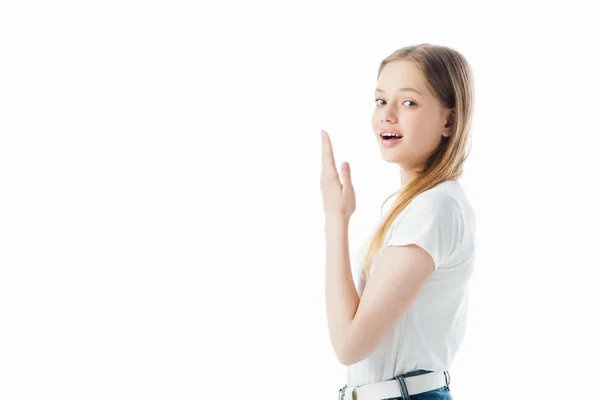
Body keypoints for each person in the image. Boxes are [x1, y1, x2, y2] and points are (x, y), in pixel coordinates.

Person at [320, 43, 476, 400]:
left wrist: (335, 220)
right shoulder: (415, 209)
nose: (387, 115)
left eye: (408, 102)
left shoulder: (435, 208)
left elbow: (349, 344)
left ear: (449, 120)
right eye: (380, 100)